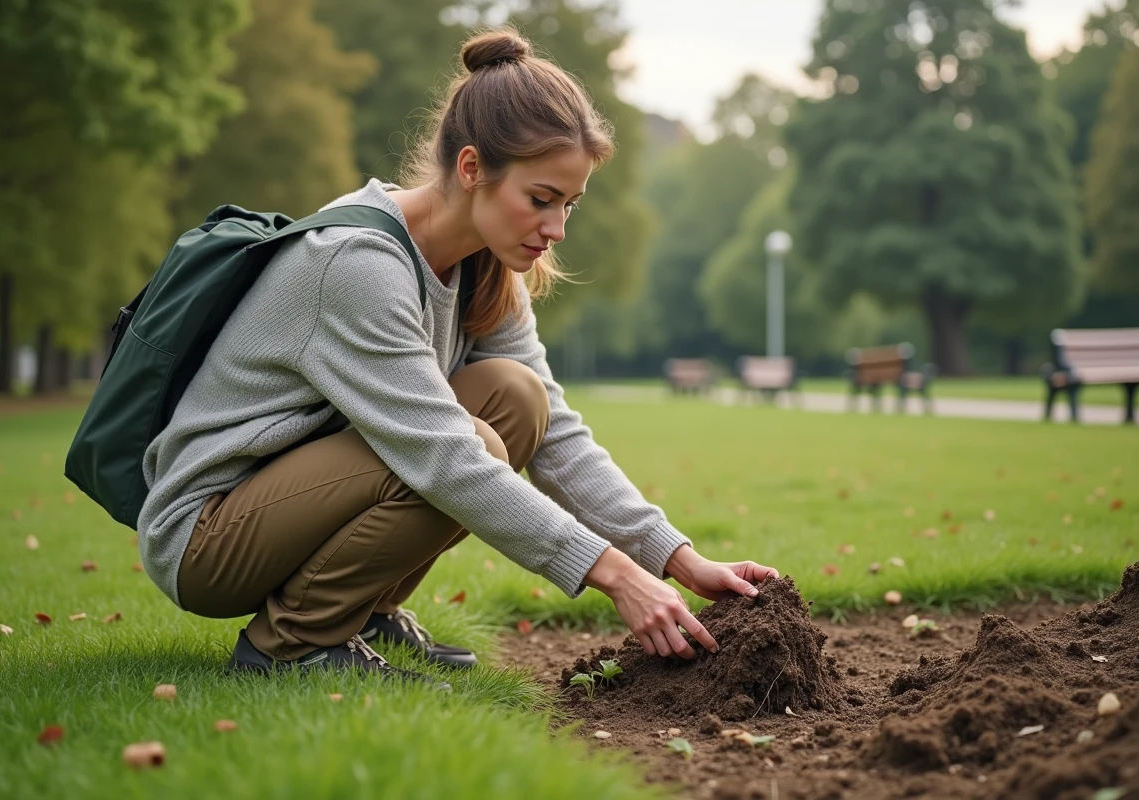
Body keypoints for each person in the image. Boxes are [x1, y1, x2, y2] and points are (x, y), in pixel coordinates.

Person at [137, 26, 778, 688]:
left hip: (296, 497)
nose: (557, 228)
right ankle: (292, 644)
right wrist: (616, 575)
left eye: (570, 204)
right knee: (469, 443)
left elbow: (555, 433)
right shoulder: (357, 265)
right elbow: (445, 458)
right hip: (208, 533)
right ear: (471, 169)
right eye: (541, 199)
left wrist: (675, 557)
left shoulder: (487, 268)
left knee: (518, 399)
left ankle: (362, 611)